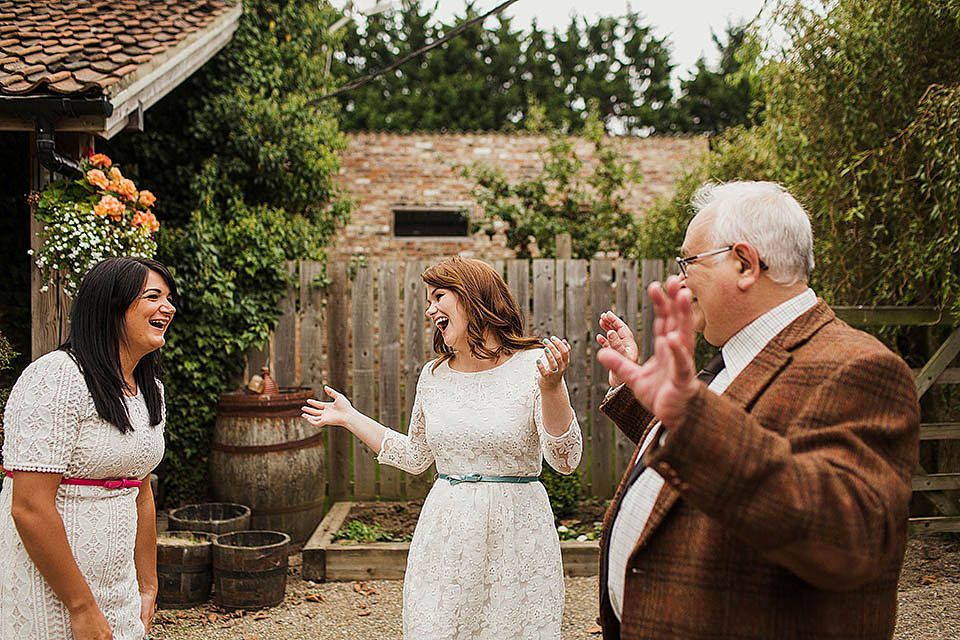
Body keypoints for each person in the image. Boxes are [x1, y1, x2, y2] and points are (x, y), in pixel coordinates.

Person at [594, 181, 919, 639]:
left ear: (745, 264)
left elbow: (849, 541)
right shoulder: (735, 355)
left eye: (688, 262)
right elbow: (733, 442)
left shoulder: (859, 367)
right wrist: (642, 398)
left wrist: (690, 415)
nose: (681, 280)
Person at [301, 256, 582, 639]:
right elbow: (416, 457)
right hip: (446, 533)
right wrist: (350, 417)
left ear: (472, 296)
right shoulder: (433, 376)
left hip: (517, 533)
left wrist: (552, 389)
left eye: (439, 297)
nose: (430, 310)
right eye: (429, 301)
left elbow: (565, 460)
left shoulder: (536, 366)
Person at [1, 257, 177, 640]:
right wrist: (81, 607)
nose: (169, 307)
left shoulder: (151, 393)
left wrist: (147, 586)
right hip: (53, 592)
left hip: (118, 589)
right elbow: (29, 506)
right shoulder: (56, 378)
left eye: (169, 298)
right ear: (111, 306)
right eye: (154, 296)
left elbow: (141, 492)